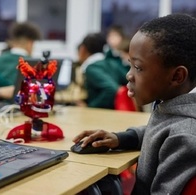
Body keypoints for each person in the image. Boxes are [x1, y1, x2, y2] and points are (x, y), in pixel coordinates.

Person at [73, 13, 196, 194]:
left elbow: (173, 136)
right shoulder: (175, 107)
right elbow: (162, 130)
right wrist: (121, 138)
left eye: (138, 68)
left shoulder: (185, 137)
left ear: (177, 76)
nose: (128, 75)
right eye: (130, 65)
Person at [77, 32, 128, 109]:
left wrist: (90, 107)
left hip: (103, 115)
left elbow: (111, 89)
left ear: (83, 49)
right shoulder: (112, 63)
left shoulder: (91, 68)